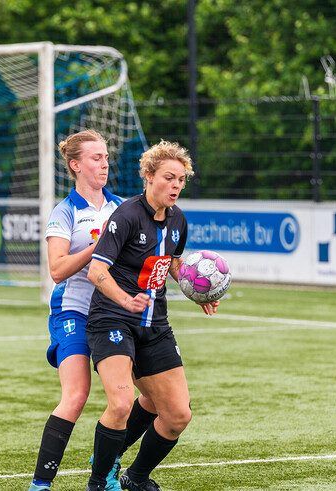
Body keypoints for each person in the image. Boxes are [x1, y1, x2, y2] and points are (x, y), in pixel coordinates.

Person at [85, 141, 219, 491]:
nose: (176, 186)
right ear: (149, 176)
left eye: (181, 180)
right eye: (169, 178)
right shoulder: (127, 216)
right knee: (120, 404)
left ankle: (136, 476)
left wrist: (198, 291)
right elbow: (96, 272)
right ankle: (99, 481)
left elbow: (172, 263)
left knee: (177, 415)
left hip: (154, 325)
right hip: (112, 319)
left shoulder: (178, 220)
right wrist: (125, 300)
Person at [29, 130, 155, 491]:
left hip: (115, 314)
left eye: (105, 156)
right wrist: (98, 248)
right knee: (76, 395)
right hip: (73, 311)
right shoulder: (65, 212)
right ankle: (41, 484)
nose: (104, 163)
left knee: (149, 396)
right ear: (75, 165)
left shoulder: (122, 207)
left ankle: (107, 462)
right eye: (96, 157)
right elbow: (57, 270)